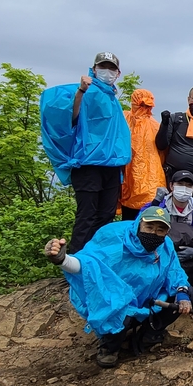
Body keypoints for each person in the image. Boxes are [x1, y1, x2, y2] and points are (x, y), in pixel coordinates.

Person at [43, 206, 193, 368]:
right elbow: (88, 264)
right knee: (118, 312)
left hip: (147, 300)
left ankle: (149, 334)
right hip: (114, 300)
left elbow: (175, 272)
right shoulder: (114, 238)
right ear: (139, 224)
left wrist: (182, 293)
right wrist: (63, 260)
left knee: (187, 291)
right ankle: (109, 347)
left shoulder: (165, 246)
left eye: (160, 230)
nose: (153, 234)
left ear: (167, 232)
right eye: (149, 227)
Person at [41, 52, 131, 253]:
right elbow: (69, 119)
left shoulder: (112, 99)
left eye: (111, 68)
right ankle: (76, 262)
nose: (107, 71)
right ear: (94, 68)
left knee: (106, 216)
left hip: (112, 166)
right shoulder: (85, 91)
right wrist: (81, 91)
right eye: (103, 66)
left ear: (118, 73)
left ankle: (97, 260)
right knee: (87, 215)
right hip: (87, 164)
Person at [144, 170, 193, 295]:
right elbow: (139, 224)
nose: (184, 188)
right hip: (158, 253)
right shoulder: (159, 205)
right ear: (171, 186)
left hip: (185, 257)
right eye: (180, 184)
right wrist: (155, 202)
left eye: (188, 185)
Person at [120, 89, 166, 220]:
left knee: (148, 222)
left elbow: (162, 152)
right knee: (129, 221)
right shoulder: (124, 119)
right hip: (129, 181)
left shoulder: (154, 126)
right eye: (141, 104)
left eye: (147, 105)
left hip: (152, 182)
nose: (144, 108)